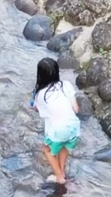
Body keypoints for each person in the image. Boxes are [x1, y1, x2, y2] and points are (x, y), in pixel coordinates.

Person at [31, 57, 80, 185]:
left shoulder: (40, 94)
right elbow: (76, 109)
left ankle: (59, 177)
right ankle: (62, 172)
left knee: (47, 149)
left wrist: (34, 104)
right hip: (74, 127)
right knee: (64, 146)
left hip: (58, 129)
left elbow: (36, 109)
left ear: (40, 75)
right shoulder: (66, 85)